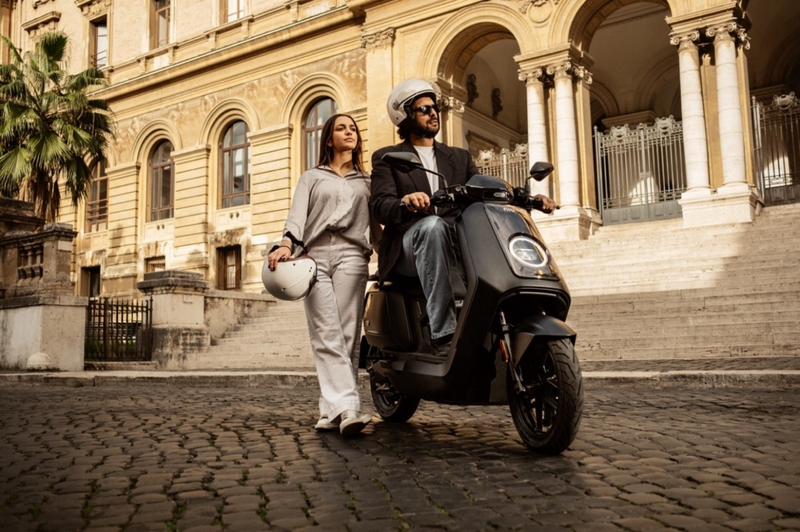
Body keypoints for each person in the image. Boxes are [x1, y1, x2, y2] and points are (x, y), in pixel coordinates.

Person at [370, 79, 557, 358]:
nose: (434, 113)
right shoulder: (388, 157)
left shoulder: (457, 157)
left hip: (453, 244)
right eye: (424, 109)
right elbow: (380, 205)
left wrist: (526, 199)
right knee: (432, 226)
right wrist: (405, 202)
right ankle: (443, 332)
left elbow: (484, 188)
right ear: (405, 115)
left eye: (436, 108)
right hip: (407, 249)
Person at [267, 113, 373, 437]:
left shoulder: (367, 182)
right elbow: (297, 216)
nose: (349, 132)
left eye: (353, 128)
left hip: (353, 256)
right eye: (341, 128)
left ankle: (332, 410)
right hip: (313, 256)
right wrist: (286, 244)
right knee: (325, 330)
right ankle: (348, 407)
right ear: (329, 138)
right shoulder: (312, 177)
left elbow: (378, 227)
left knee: (347, 334)